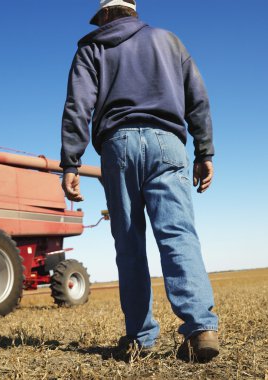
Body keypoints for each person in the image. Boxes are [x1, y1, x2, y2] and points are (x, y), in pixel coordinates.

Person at [60, 0, 219, 361]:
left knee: (129, 244)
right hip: (169, 143)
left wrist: (71, 163)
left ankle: (141, 338)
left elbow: (78, 106)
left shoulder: (92, 48)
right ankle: (201, 328)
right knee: (178, 234)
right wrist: (204, 153)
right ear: (133, 12)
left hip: (118, 147)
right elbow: (198, 99)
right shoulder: (168, 40)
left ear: (103, 16)